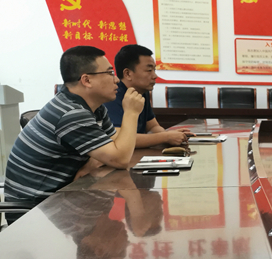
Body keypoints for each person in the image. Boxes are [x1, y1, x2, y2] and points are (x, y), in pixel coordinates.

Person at [3, 46, 144, 223]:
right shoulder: (70, 113)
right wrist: (131, 112)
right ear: (86, 80)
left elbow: (116, 146)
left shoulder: (94, 108)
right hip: (37, 213)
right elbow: (121, 158)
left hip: (64, 199)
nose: (116, 80)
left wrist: (92, 162)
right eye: (110, 73)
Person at [106, 44, 192, 147]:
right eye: (149, 70)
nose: (155, 76)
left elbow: (153, 126)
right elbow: (119, 138)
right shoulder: (112, 95)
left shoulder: (141, 92)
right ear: (128, 74)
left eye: (154, 70)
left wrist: (170, 135)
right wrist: (165, 137)